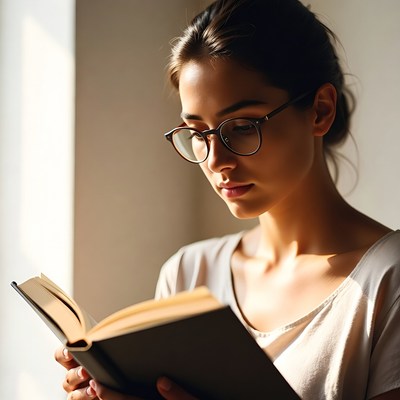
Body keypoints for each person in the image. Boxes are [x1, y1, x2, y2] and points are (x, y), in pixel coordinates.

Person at [55, 0, 400, 399]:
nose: (216, 160)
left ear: (319, 111)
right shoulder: (188, 274)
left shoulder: (387, 281)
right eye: (198, 133)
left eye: (240, 127)